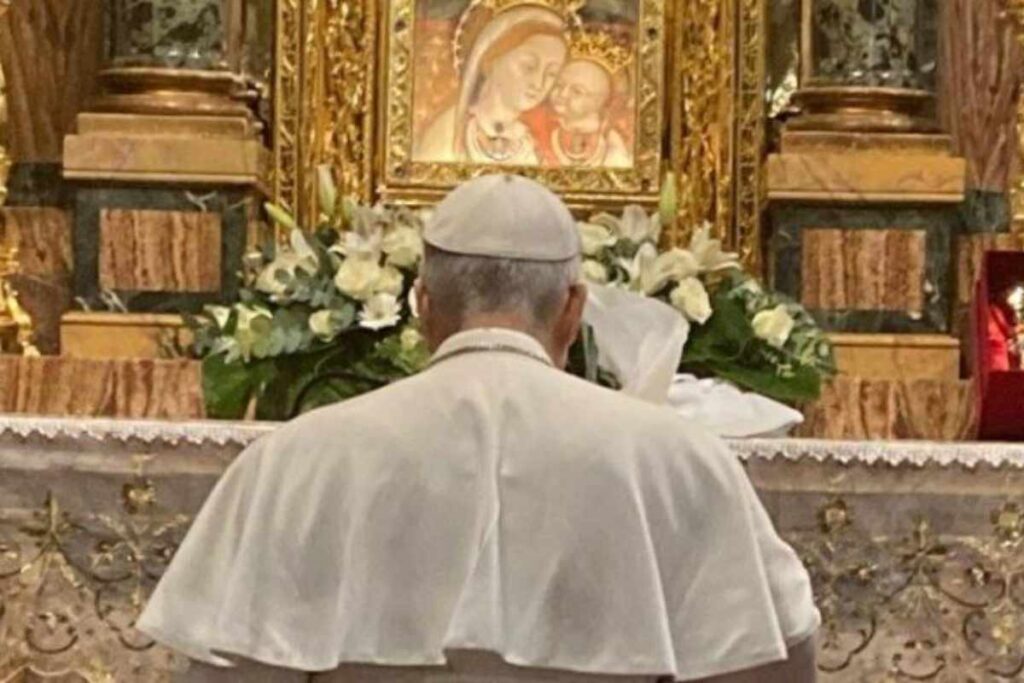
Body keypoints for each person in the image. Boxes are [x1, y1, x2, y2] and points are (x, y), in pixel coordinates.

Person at [137, 175, 820, 682]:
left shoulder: (296, 460)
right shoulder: (680, 461)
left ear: (422, 304)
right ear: (573, 308)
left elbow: (230, 665)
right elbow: (772, 654)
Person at [414, 4, 567, 164]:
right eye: (529, 66)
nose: (539, 83)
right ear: (492, 59)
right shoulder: (449, 132)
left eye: (552, 74)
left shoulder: (533, 144)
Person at [546, 32, 632, 168]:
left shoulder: (611, 144)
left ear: (599, 102)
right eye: (559, 85)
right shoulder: (540, 130)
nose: (562, 94)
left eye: (577, 91)